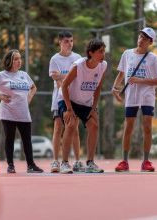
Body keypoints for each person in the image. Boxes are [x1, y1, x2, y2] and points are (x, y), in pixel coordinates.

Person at [0, 49, 44, 173]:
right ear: (9, 61)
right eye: (16, 59)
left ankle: (31, 165)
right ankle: (10, 165)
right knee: (9, 139)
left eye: (20, 58)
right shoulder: (2, 75)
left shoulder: (24, 75)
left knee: (27, 139)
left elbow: (33, 87)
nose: (19, 61)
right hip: (8, 112)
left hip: (23, 113)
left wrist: (30, 97)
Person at [112, 27, 157, 172]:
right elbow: (121, 74)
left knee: (147, 126)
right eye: (140, 36)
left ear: (150, 42)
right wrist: (115, 87)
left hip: (147, 96)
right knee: (128, 127)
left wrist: (140, 80)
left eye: (145, 38)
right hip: (131, 96)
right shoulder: (127, 54)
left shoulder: (153, 58)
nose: (141, 40)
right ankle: (124, 161)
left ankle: (146, 161)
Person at [59, 39, 107, 173]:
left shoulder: (103, 66)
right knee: (71, 124)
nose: (103, 54)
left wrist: (93, 108)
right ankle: (64, 163)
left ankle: (90, 163)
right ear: (91, 53)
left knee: (94, 125)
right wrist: (69, 109)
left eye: (104, 51)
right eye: (100, 51)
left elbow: (98, 88)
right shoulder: (79, 66)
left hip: (86, 103)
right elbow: (64, 85)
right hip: (69, 99)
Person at [49, 31, 84, 173]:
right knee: (58, 128)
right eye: (66, 41)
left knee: (74, 129)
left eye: (71, 41)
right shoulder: (54, 59)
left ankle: (77, 161)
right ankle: (55, 161)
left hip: (75, 98)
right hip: (59, 99)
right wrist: (70, 75)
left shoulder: (78, 58)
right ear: (60, 43)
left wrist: (64, 76)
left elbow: (79, 77)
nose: (69, 44)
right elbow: (57, 81)